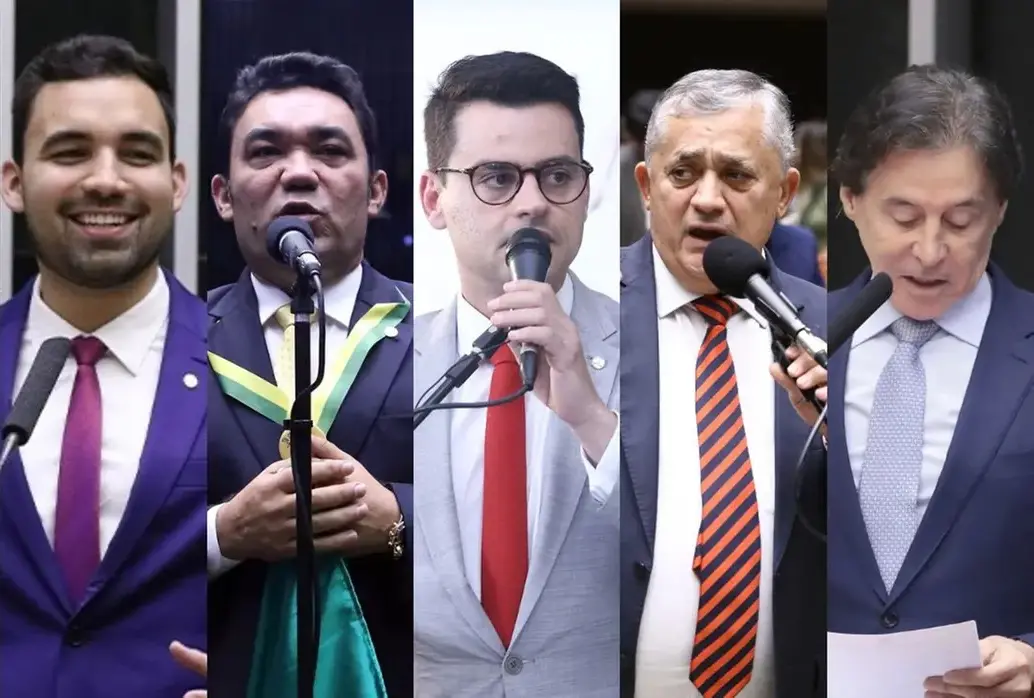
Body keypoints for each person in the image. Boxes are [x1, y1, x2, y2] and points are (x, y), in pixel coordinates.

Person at [0, 35, 205, 697]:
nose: (107, 180)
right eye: (70, 151)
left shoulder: (255, 362)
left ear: (175, 184)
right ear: (13, 182)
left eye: (137, 154)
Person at [205, 52, 413, 697]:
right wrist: (224, 535)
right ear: (222, 194)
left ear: (377, 190)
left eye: (329, 150)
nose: (299, 173)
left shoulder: (456, 335)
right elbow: (108, 540)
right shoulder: (169, 342)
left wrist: (399, 521)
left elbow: (522, 514)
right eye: (266, 153)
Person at [413, 51, 620, 697]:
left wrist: (591, 418)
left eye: (558, 174)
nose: (533, 203)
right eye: (497, 177)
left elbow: (702, 555)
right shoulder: (384, 358)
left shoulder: (652, 341)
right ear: (433, 198)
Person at [828, 65, 1034, 697]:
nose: (929, 250)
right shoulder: (791, 336)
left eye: (960, 220)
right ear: (851, 200)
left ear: (998, 211)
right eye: (905, 215)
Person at [621, 69, 828, 698]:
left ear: (786, 192)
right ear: (647, 186)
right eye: (683, 173)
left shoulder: (835, 334)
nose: (708, 199)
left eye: (737, 175)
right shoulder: (579, 317)